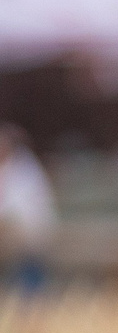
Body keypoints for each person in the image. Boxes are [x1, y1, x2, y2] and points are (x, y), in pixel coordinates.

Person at [0, 124, 56, 291]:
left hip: (29, 229)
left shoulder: (24, 170)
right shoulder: (7, 167)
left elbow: (15, 209)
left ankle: (30, 292)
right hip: (16, 231)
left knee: (26, 253)